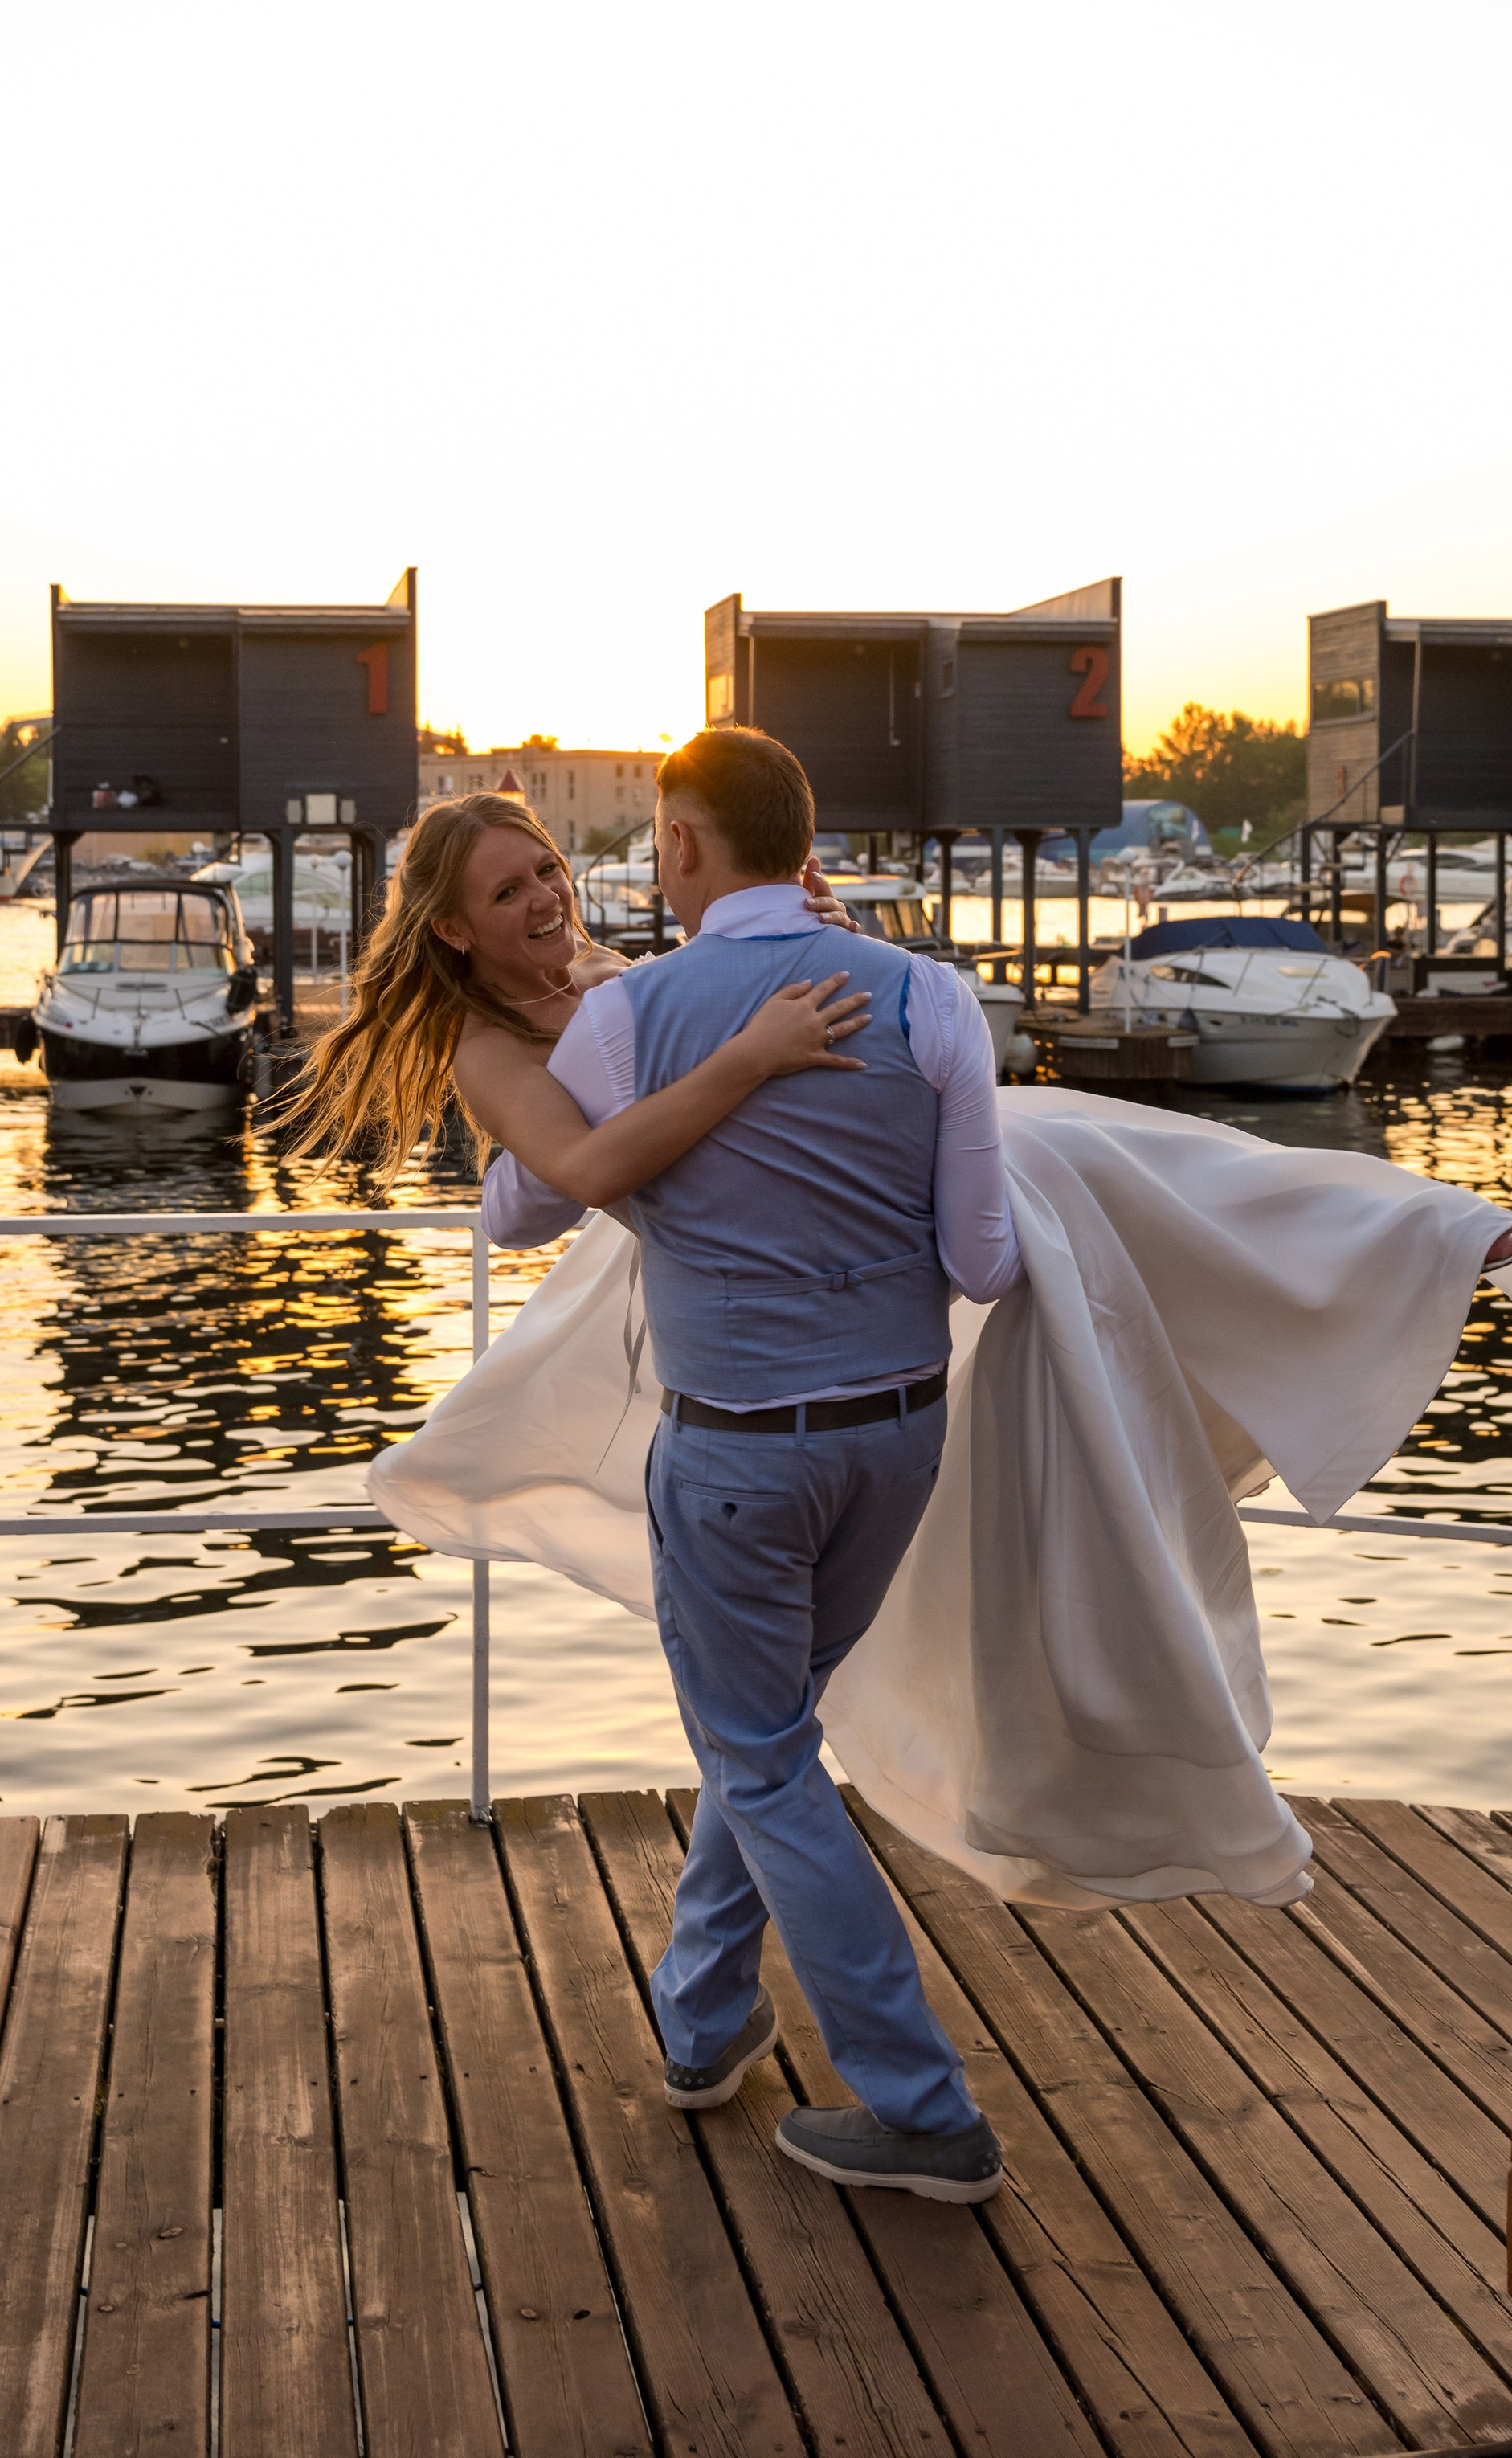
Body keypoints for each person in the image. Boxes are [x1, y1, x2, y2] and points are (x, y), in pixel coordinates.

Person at [479, 727, 1020, 2204]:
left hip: (737, 1461)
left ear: (680, 849)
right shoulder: (936, 999)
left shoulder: (627, 1020)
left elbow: (523, 1218)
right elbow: (982, 1261)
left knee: (764, 1756)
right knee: (767, 1735)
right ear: (810, 842)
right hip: (898, 1439)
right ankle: (702, 2026)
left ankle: (920, 2110)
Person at [283, 787, 872, 1212]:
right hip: (679, 1246)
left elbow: (719, 1001)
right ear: (454, 930)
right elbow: (587, 1173)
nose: (546, 899)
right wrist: (755, 1057)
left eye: (547, 870)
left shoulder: (602, 964)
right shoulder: (488, 1050)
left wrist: (818, 932)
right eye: (508, 892)